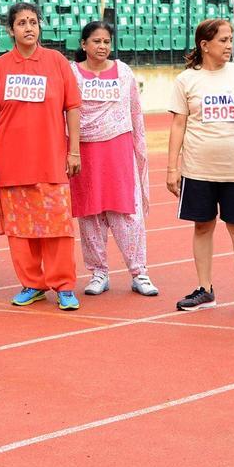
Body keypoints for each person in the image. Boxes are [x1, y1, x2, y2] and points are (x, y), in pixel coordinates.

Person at [0, 2, 83, 310]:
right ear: (10, 30)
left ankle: (64, 285)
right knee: (20, 229)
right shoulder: (0, 67)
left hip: (51, 160)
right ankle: (32, 284)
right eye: (22, 23)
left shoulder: (56, 61)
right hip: (11, 162)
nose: (29, 27)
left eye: (33, 22)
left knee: (57, 227)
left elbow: (72, 107)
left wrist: (73, 150)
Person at [167, 17, 234, 317]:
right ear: (204, 44)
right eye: (223, 40)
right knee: (202, 226)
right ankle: (204, 289)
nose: (229, 45)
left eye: (231, 39)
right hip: (198, 168)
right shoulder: (187, 80)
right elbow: (178, 124)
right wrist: (173, 167)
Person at [72, 20, 156, 298]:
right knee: (90, 213)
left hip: (118, 151)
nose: (102, 46)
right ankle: (98, 272)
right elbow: (66, 113)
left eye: (106, 41)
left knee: (127, 212)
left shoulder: (124, 73)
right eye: (96, 41)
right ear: (84, 45)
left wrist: (138, 149)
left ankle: (138, 271)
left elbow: (135, 113)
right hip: (84, 151)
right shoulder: (72, 74)